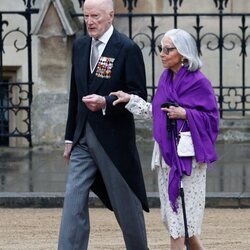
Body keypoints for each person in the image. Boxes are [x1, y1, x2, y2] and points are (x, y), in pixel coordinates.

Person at [110, 28, 219, 250]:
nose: (162, 53)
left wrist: (186, 114)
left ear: (183, 53)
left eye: (168, 49)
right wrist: (131, 100)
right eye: (161, 48)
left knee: (179, 223)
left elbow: (212, 119)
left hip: (189, 160)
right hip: (166, 156)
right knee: (177, 220)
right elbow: (156, 112)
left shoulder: (199, 82)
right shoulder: (166, 79)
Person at [58, 0, 149, 249]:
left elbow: (138, 95)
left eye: (95, 15)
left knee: (126, 206)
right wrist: (69, 138)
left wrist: (107, 101)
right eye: (86, 15)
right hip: (82, 141)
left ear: (111, 15)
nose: (90, 21)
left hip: (114, 142)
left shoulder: (127, 48)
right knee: (72, 201)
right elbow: (75, 95)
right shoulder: (80, 45)